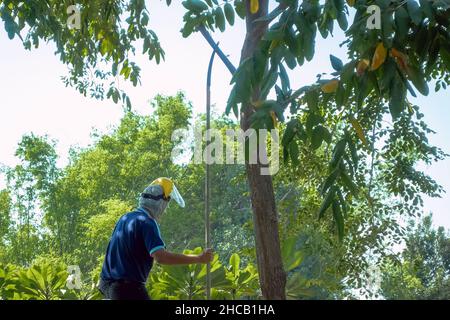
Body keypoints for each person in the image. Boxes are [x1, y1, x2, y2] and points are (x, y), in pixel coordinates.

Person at [98, 177, 213, 300]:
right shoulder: (147, 223)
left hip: (108, 286)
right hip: (127, 289)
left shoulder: (125, 218)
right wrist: (199, 258)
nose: (165, 209)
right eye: (167, 203)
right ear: (161, 202)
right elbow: (161, 257)